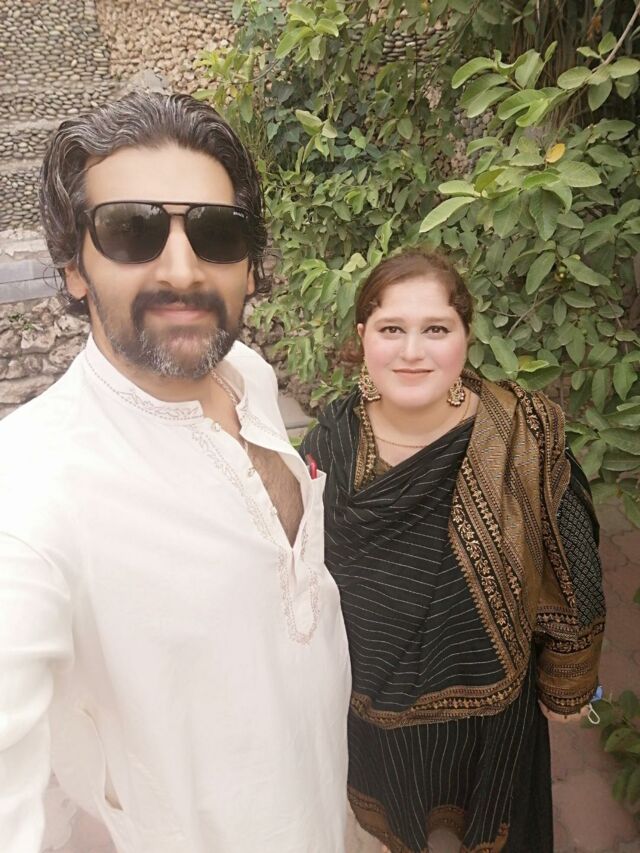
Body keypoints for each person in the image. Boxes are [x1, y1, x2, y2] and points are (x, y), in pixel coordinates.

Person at [0, 92, 351, 853]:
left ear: (249, 268)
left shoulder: (248, 375)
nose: (184, 269)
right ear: (74, 268)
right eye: (132, 231)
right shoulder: (28, 492)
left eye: (217, 233)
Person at [300, 250, 605, 853]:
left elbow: (571, 555)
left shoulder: (521, 432)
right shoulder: (332, 441)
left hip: (492, 715)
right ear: (363, 337)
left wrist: (569, 679)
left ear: (466, 335)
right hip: (374, 713)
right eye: (392, 329)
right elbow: (298, 569)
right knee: (399, 826)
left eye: (436, 329)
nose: (413, 352)